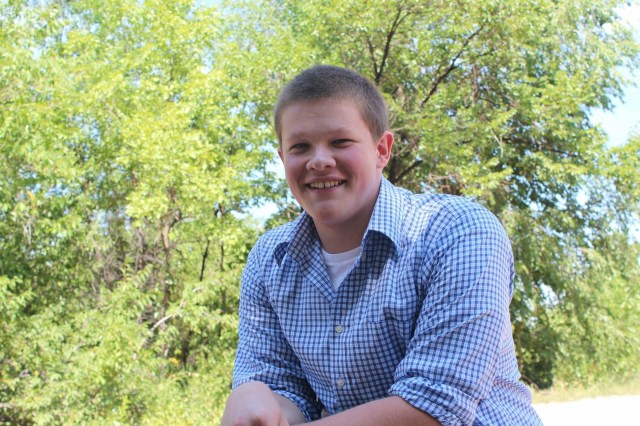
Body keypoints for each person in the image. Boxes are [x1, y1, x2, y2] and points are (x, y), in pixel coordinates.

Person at [221, 65, 542, 425]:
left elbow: (435, 405)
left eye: (340, 142)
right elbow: (285, 390)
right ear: (283, 158)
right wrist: (259, 401)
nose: (319, 160)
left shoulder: (457, 231)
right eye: (300, 147)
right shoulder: (269, 260)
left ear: (382, 150)